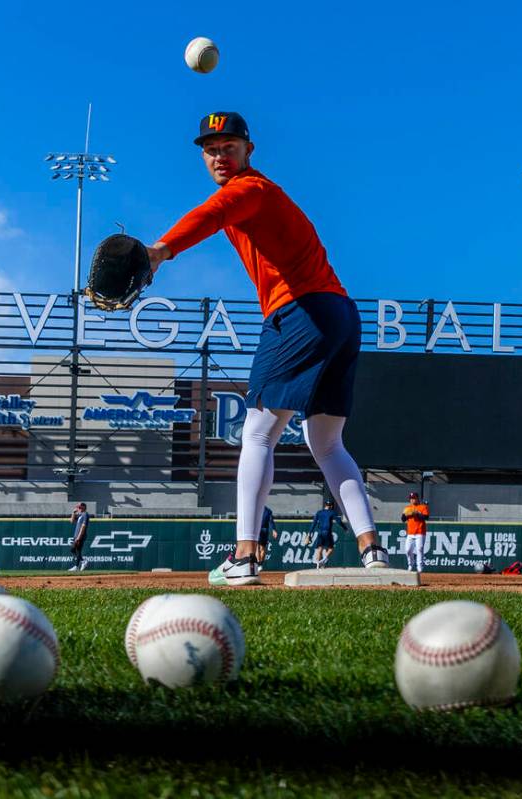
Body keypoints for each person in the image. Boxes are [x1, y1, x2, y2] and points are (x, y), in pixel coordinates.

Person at [145, 111, 389, 586]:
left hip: (300, 311)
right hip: (340, 313)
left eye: (229, 145)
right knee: (327, 442)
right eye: (211, 148)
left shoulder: (249, 189)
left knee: (257, 433)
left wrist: (160, 250)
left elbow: (209, 215)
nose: (219, 154)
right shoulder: (255, 194)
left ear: (248, 150)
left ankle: (245, 556)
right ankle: (372, 549)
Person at [305, 499, 345, 569]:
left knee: (319, 548)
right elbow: (338, 521)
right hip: (327, 532)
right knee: (330, 549)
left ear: (325, 505)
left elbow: (314, 523)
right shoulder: (332, 512)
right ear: (331, 506)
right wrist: (345, 528)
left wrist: (309, 533)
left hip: (320, 532)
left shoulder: (319, 512)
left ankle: (318, 565)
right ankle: (323, 561)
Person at [401, 491, 429, 573]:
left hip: (420, 532)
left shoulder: (423, 507)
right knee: (408, 550)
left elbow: (426, 517)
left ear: (417, 499)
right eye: (411, 498)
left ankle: (419, 567)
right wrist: (408, 515)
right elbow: (403, 519)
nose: (412, 500)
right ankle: (410, 564)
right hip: (410, 533)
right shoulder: (407, 508)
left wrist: (417, 514)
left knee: (419, 549)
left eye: (414, 498)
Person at [69, 502, 90, 572]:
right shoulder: (80, 515)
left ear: (84, 507)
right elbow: (71, 521)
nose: (79, 508)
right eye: (78, 507)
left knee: (76, 550)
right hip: (76, 535)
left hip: (80, 535)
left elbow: (83, 527)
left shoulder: (85, 514)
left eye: (80, 507)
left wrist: (79, 537)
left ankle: (80, 563)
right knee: (74, 550)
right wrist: (73, 513)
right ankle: (79, 564)